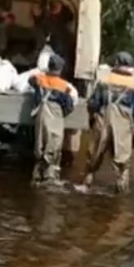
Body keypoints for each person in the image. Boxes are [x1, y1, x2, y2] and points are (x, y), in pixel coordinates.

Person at [83, 52, 134, 194]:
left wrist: (92, 120)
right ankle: (121, 192)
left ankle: (87, 183)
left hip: (102, 119)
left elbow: (93, 104)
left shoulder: (104, 80)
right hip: (123, 124)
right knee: (122, 161)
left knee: (94, 155)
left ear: (116, 63)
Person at [28, 54, 75, 185]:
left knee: (40, 144)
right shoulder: (64, 86)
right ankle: (50, 177)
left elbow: (31, 80)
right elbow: (69, 106)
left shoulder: (38, 78)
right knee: (54, 144)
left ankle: (36, 176)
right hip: (54, 116)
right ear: (60, 69)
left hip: (40, 114)